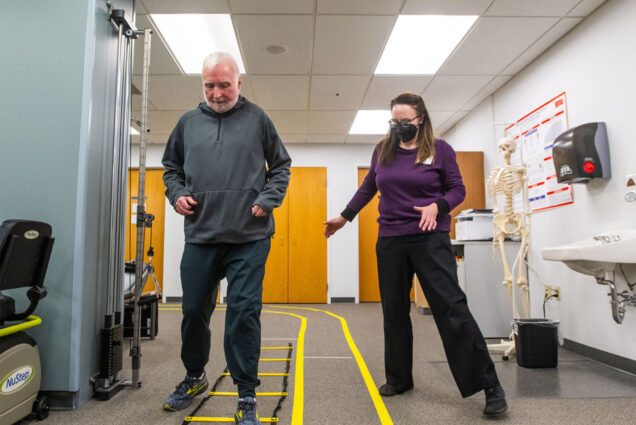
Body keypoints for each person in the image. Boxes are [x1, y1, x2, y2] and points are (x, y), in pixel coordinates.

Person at [324, 92, 508, 416]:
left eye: (405, 122)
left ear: (420, 120)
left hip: (430, 239)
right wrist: (344, 217)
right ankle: (398, 379)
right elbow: (370, 186)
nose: (399, 127)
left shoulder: (440, 149)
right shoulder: (383, 150)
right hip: (391, 240)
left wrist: (437, 206)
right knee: (394, 311)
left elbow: (457, 190)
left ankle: (489, 386)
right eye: (394, 122)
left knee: (451, 308)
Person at [161, 52, 291, 425]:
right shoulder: (187, 123)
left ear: (239, 82)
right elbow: (171, 169)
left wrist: (267, 200)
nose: (217, 93)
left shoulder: (257, 119)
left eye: (224, 85)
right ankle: (195, 375)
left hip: (249, 237)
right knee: (193, 311)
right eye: (209, 86)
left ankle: (246, 393)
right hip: (202, 235)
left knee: (243, 313)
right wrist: (176, 193)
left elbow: (281, 166)